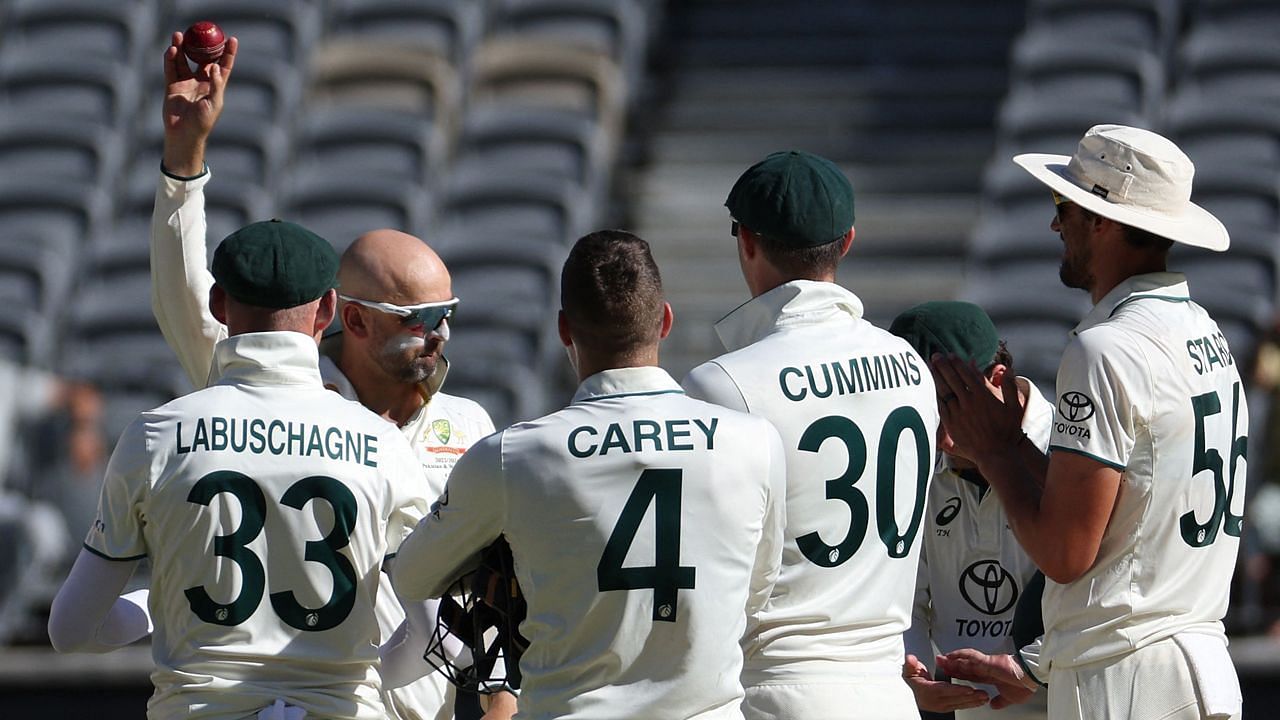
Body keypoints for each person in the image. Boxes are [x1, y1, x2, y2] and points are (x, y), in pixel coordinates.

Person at [150, 30, 509, 720]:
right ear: (355, 318)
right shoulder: (273, 390)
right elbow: (184, 301)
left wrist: (498, 704)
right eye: (418, 316)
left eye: (447, 314)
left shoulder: (469, 428)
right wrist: (183, 158)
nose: (438, 333)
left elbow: (489, 590)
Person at [391, 230, 788, 719]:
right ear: (664, 322)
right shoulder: (754, 441)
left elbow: (410, 577)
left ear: (564, 330)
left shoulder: (512, 455)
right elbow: (755, 597)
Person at [48, 218, 428, 719]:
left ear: (218, 305)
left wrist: (150, 608)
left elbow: (71, 630)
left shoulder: (156, 435)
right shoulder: (384, 444)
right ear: (329, 310)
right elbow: (435, 636)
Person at [932, 125, 1246, 720]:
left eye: (1063, 206)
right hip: (1192, 664)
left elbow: (1068, 551)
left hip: (1130, 681)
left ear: (1100, 219)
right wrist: (1011, 443)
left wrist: (996, 451)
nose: (1056, 225)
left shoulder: (1109, 347)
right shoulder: (1205, 331)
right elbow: (1124, 513)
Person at [681, 150, 939, 719]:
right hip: (889, 694)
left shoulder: (721, 385)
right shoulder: (911, 365)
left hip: (775, 691)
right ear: (848, 241)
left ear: (746, 241)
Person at [889, 301, 1051, 719]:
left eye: (952, 406)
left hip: (1062, 696)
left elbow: (1100, 581)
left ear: (996, 379)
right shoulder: (912, 458)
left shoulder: (1067, 451)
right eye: (925, 414)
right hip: (954, 705)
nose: (942, 439)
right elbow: (905, 594)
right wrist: (915, 673)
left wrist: (1034, 666)